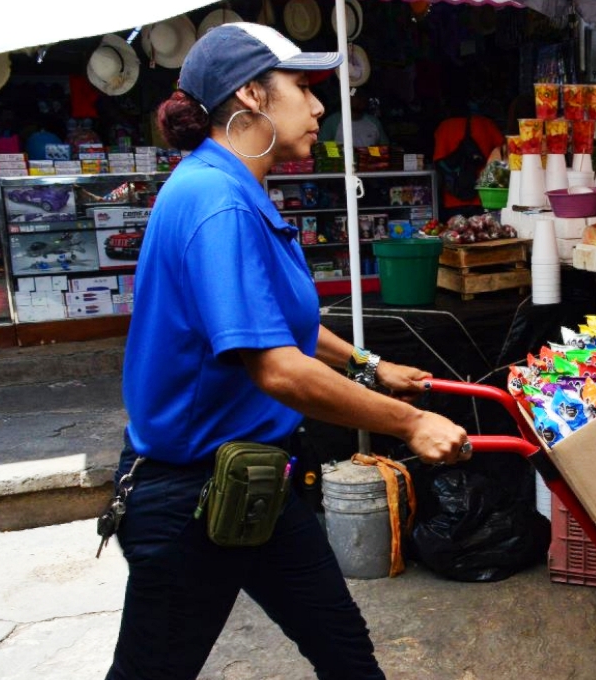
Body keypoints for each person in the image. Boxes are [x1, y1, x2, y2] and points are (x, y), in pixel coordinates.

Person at [107, 23, 470, 679]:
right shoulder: (217, 201)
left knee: (347, 655)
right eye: (302, 87)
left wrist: (369, 365)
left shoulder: (231, 187)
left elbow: (275, 323)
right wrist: (411, 422)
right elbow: (275, 366)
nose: (320, 105)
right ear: (250, 95)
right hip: (192, 500)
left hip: (258, 483)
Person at [433, 94, 503, 218]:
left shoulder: (444, 127)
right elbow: (505, 150)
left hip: (453, 198)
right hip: (484, 195)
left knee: (455, 235)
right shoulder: (486, 124)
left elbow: (439, 162)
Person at [318, 89, 389, 146]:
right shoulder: (332, 121)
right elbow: (321, 147)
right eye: (357, 96)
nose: (361, 99)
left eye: (363, 96)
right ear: (348, 99)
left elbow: (384, 148)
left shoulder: (374, 122)